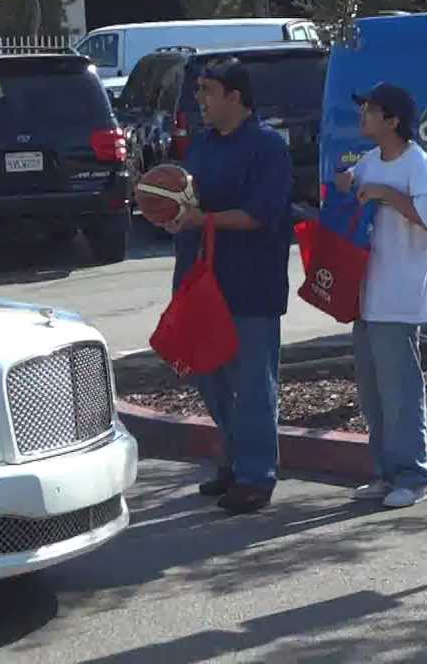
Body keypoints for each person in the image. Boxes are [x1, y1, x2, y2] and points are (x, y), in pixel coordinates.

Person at [163, 58, 293, 515]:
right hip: (201, 283)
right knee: (209, 376)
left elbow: (261, 215)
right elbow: (185, 200)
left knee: (253, 383)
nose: (199, 99)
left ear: (235, 97)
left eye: (207, 91)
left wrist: (203, 219)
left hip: (251, 285)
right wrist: (168, 209)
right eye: (198, 90)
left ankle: (257, 477)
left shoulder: (267, 146)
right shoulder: (201, 145)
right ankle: (236, 462)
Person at [334, 82, 427, 508]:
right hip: (365, 292)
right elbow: (349, 199)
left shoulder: (417, 162)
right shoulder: (368, 160)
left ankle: (415, 477)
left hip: (400, 295)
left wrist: (386, 194)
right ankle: (385, 472)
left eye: (371, 110)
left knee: (400, 391)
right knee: (374, 393)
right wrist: (345, 184)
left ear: (393, 120)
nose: (363, 117)